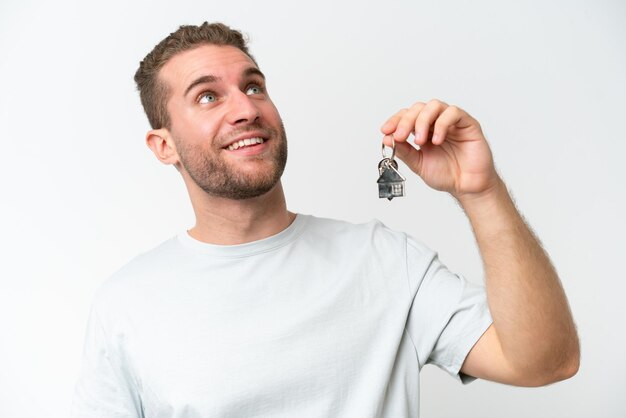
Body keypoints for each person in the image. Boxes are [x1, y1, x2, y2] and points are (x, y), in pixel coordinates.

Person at [71, 22, 580, 417]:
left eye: (254, 86)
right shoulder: (126, 304)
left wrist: (482, 192)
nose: (245, 108)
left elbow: (546, 361)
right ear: (164, 146)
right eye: (208, 95)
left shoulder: (385, 260)